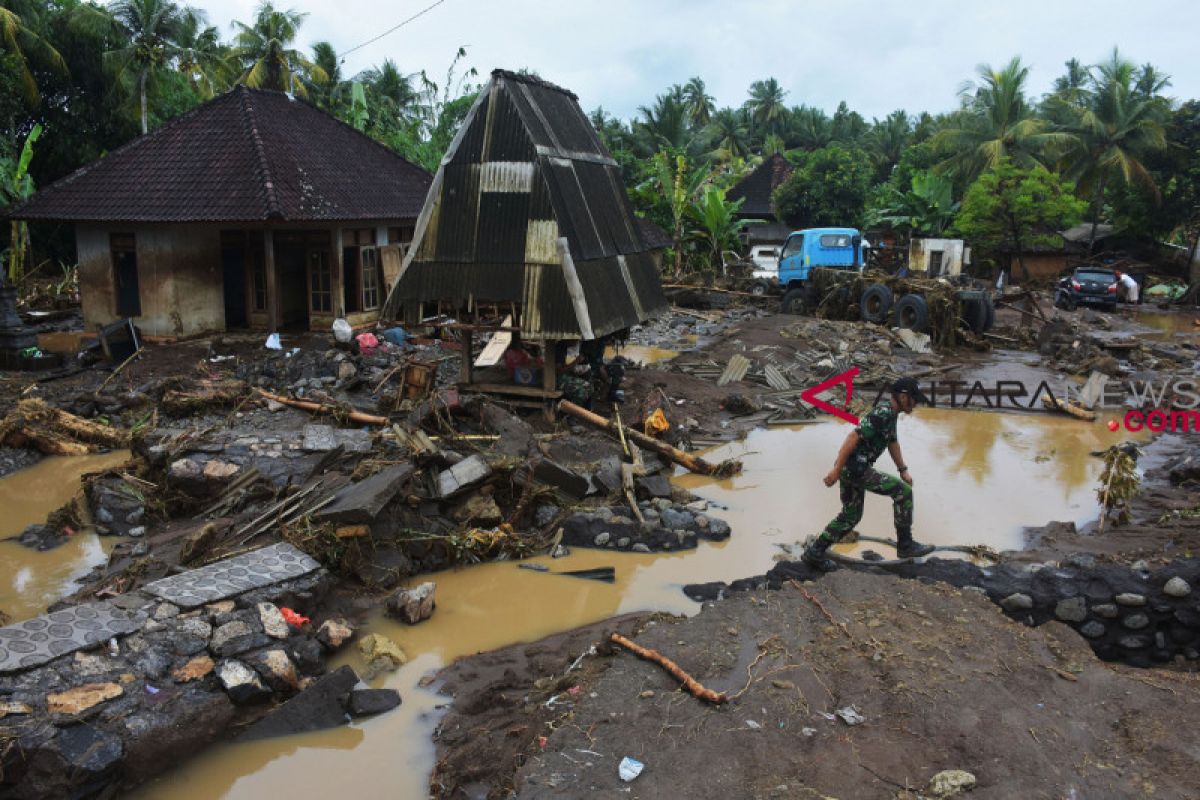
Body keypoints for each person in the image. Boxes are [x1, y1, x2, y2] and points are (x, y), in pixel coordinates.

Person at [802, 377, 936, 572]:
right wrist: (836, 470)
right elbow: (853, 437)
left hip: (853, 468)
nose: (916, 404)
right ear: (902, 396)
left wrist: (903, 469)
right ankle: (906, 546)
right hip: (856, 469)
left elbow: (892, 442)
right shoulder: (883, 413)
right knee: (903, 492)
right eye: (914, 399)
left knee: (851, 515)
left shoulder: (891, 413)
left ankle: (815, 553)